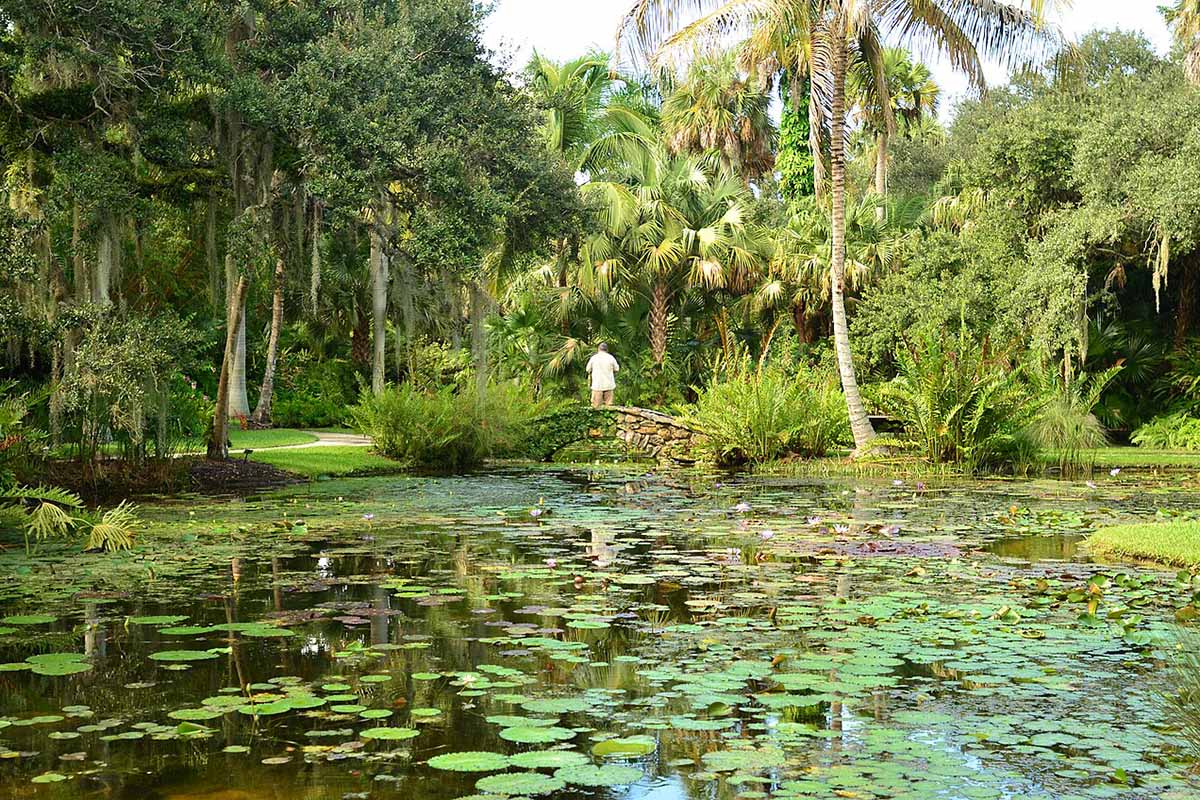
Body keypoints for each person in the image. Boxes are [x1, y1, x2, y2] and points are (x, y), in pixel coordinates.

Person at [586, 343, 619, 408]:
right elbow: (617, 369)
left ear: (598, 349)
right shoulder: (611, 357)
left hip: (597, 386)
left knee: (596, 407)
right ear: (607, 350)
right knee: (609, 407)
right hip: (609, 385)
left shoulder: (594, 358)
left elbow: (587, 369)